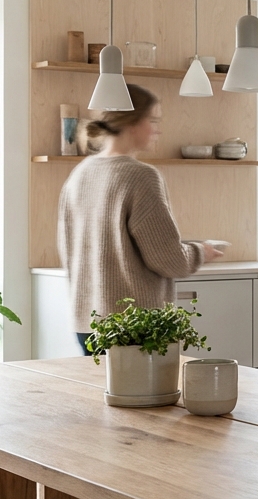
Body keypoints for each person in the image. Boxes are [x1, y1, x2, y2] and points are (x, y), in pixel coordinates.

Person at [57, 84, 223, 355]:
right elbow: (169, 260)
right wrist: (200, 252)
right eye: (153, 121)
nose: (158, 129)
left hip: (86, 322)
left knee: (102, 397)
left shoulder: (80, 173)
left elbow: (68, 250)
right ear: (131, 123)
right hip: (135, 326)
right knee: (153, 399)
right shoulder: (141, 176)